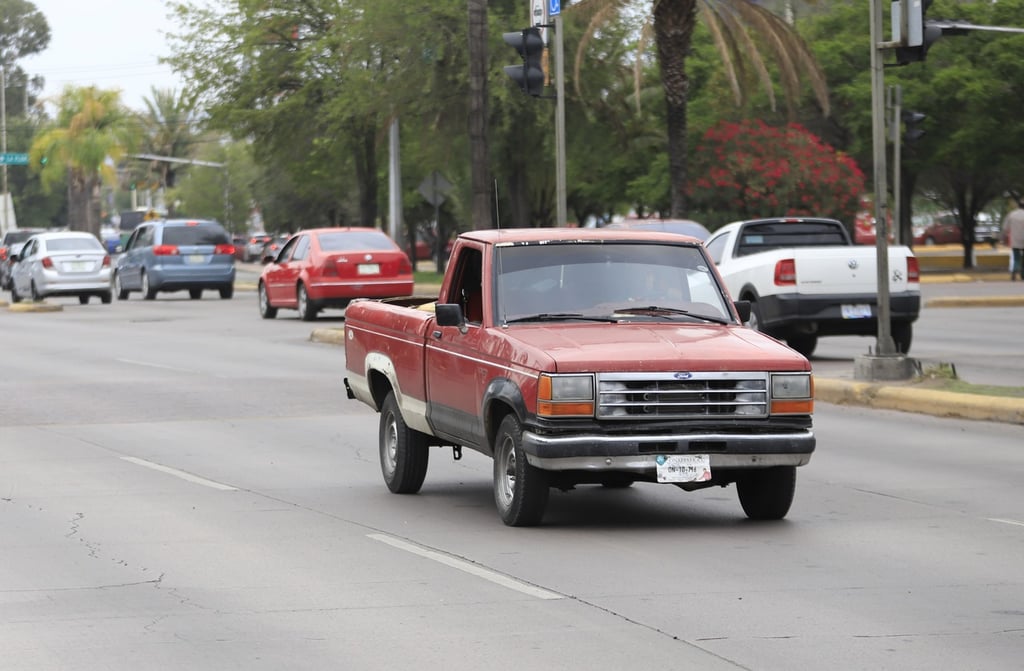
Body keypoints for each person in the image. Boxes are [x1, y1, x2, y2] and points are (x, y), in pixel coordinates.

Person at [1004, 198, 1024, 281]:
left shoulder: (1011, 214)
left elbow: (1005, 228)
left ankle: (1014, 272)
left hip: (1015, 240)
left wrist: (1004, 237)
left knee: (1016, 258)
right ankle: (1023, 275)